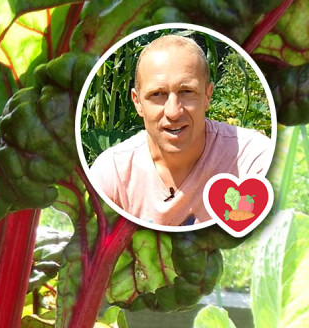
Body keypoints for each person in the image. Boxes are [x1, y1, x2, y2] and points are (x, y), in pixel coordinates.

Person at [88, 34, 273, 227]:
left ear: (207, 95)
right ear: (137, 102)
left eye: (186, 92)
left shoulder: (253, 159)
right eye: (157, 94)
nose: (173, 112)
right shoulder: (112, 174)